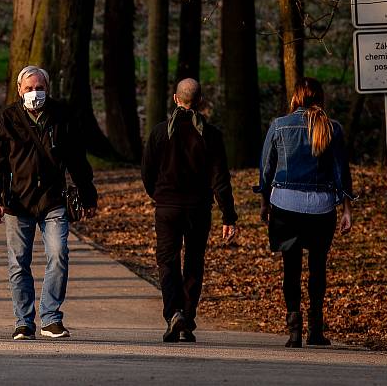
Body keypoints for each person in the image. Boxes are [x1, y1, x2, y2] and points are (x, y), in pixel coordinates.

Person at [0, 65, 97, 341]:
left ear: (47, 89)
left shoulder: (63, 116)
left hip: (53, 200)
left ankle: (51, 318)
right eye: (30, 88)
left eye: (40, 88)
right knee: (18, 263)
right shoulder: (6, 120)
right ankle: (23, 322)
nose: (35, 93)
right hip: (16, 202)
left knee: (58, 255)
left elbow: (78, 161)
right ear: (19, 90)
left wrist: (88, 196)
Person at [257, 77, 353, 348]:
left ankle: (294, 329)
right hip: (322, 207)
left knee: (291, 267)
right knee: (317, 268)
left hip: (285, 205)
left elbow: (266, 170)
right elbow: (341, 172)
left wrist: (264, 202)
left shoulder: (279, 125)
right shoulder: (332, 128)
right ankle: (316, 329)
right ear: (320, 97)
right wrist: (347, 209)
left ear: (296, 97)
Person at [141, 78, 237, 343]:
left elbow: (147, 172)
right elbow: (220, 179)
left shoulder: (160, 132)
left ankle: (173, 312)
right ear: (201, 101)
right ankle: (187, 317)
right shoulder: (211, 134)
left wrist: (158, 195)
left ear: (175, 99)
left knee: (168, 261)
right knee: (194, 261)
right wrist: (228, 215)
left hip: (167, 208)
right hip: (198, 208)